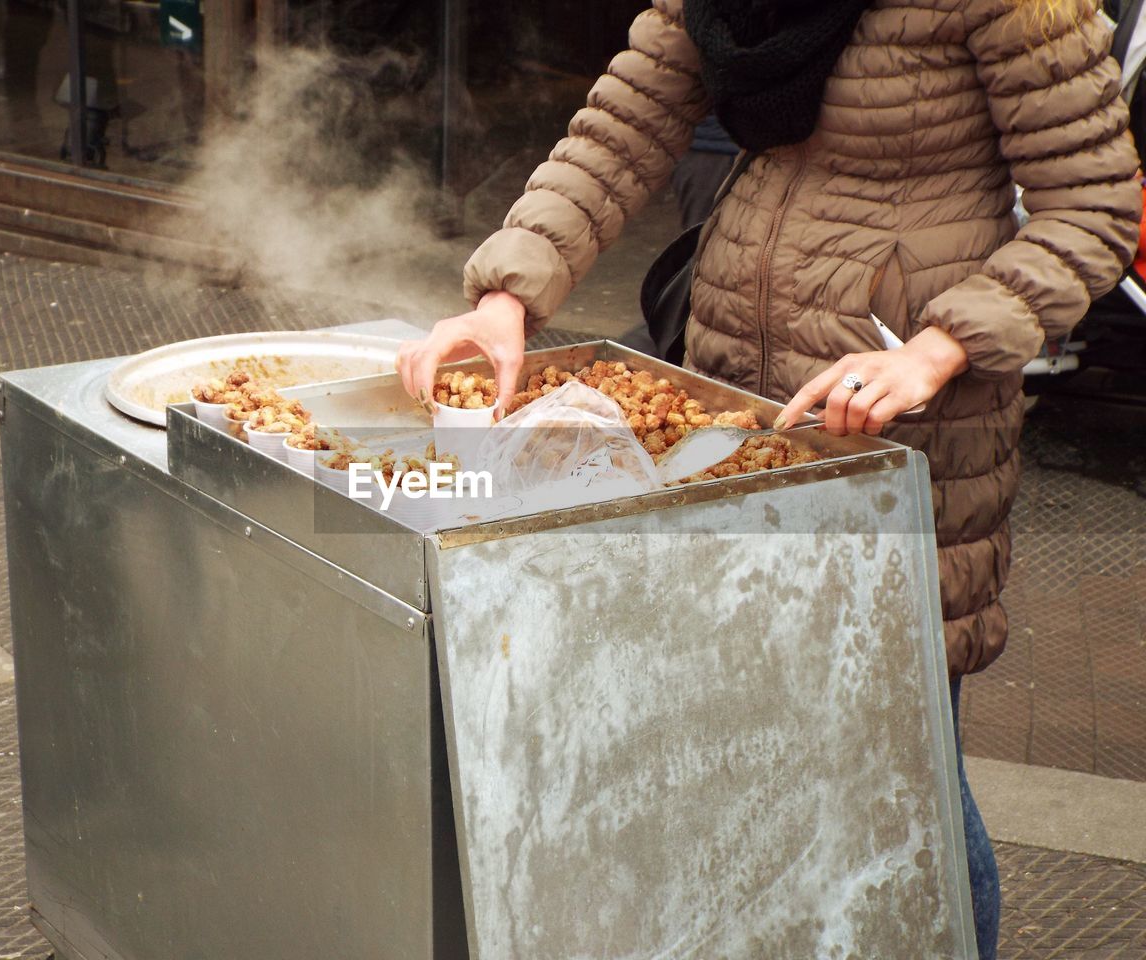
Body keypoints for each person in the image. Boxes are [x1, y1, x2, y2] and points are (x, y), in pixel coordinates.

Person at [395, 1, 1142, 955]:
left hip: (893, 423)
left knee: (903, 777)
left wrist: (942, 345)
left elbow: (1096, 204)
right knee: (747, 752)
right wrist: (510, 292)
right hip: (729, 411)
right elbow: (624, 126)